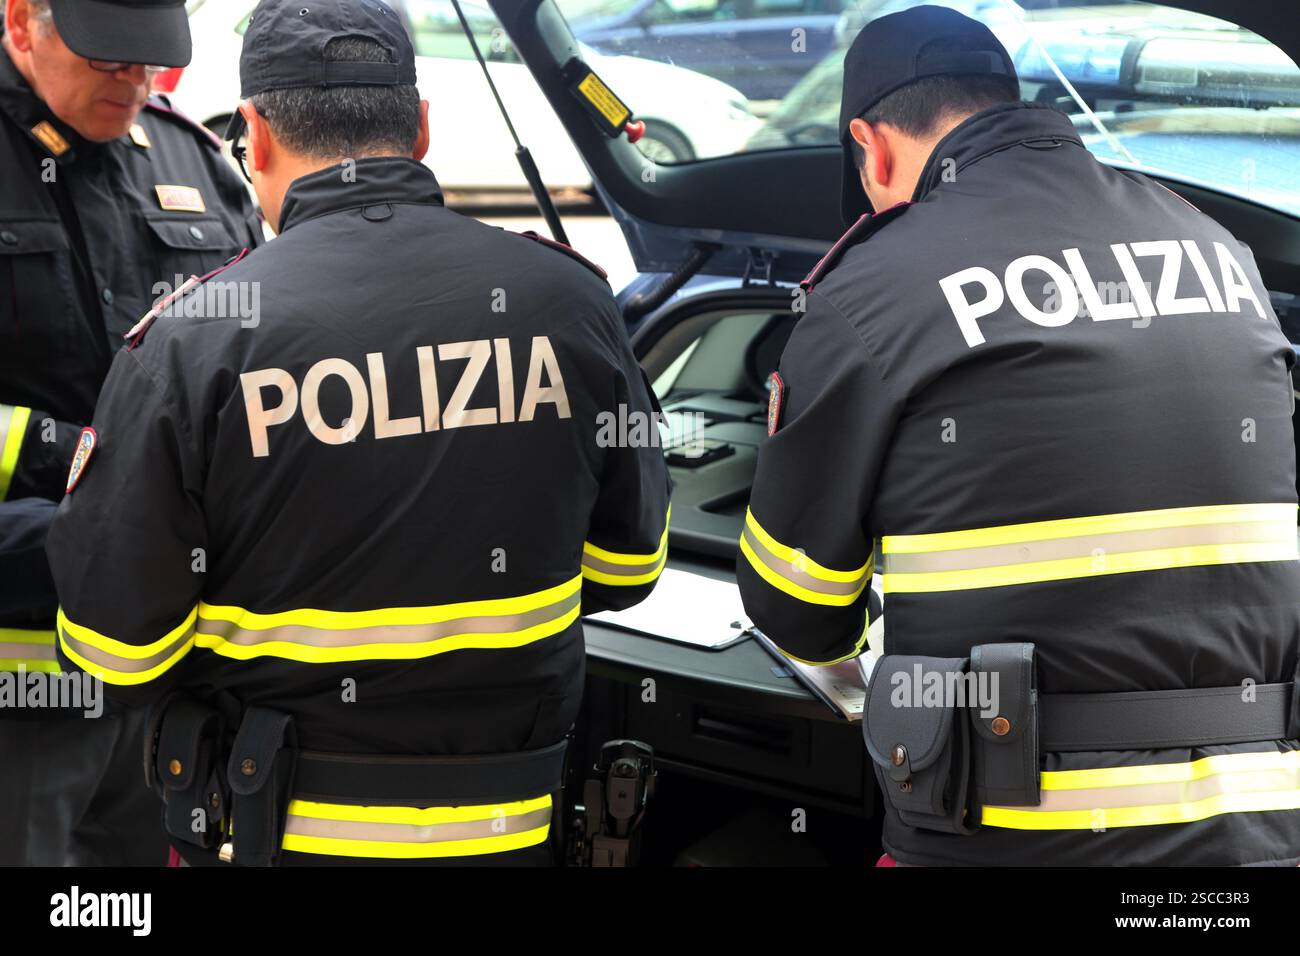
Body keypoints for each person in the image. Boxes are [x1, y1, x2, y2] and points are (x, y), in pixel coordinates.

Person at [46, 0, 671, 867]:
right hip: (517, 830)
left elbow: (117, 650)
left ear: (255, 135)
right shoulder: (571, 302)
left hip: (272, 834)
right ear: (419, 128)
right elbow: (627, 569)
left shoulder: (191, 341)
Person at [737, 5, 1300, 866]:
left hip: (1020, 834)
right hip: (1257, 829)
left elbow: (800, 613)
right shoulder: (1217, 246)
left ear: (871, 145)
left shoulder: (869, 291)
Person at [0, 0, 262, 865]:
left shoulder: (195, 160)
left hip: (161, 670)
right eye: (108, 55)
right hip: (18, 671)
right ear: (18, 22)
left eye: (150, 56)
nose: (135, 78)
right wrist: (70, 463)